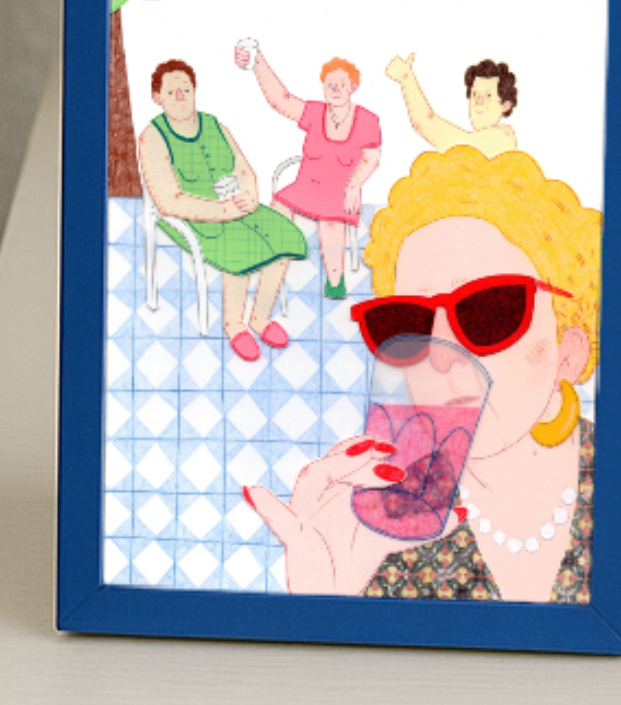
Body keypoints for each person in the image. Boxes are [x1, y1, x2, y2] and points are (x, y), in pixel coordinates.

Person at [245, 146, 601, 603]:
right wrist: (325, 600)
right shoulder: (384, 525)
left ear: (569, 350)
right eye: (408, 323)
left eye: (489, 311)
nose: (440, 356)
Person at [138, 59, 307, 362]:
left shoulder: (214, 125)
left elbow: (242, 168)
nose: (181, 97)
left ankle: (260, 317)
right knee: (240, 248)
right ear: (157, 97)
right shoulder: (153, 136)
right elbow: (169, 201)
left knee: (284, 234)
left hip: (235, 205)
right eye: (172, 91)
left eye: (186, 89)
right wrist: (223, 211)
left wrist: (250, 196)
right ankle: (234, 325)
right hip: (192, 217)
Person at [234, 44, 381, 301]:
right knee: (278, 207)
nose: (336, 89)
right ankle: (269, 265)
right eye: (330, 84)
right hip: (305, 186)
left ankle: (335, 280)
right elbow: (281, 100)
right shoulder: (315, 112)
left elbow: (372, 159)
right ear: (323, 87)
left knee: (331, 223)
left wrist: (355, 184)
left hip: (339, 191)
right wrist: (258, 61)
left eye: (342, 84)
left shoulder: (367, 119)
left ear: (353, 87)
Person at [385, 54, 518, 159]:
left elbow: (429, 126)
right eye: (474, 94)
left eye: (488, 95)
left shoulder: (503, 136)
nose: (478, 101)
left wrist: (407, 80)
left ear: (505, 105)